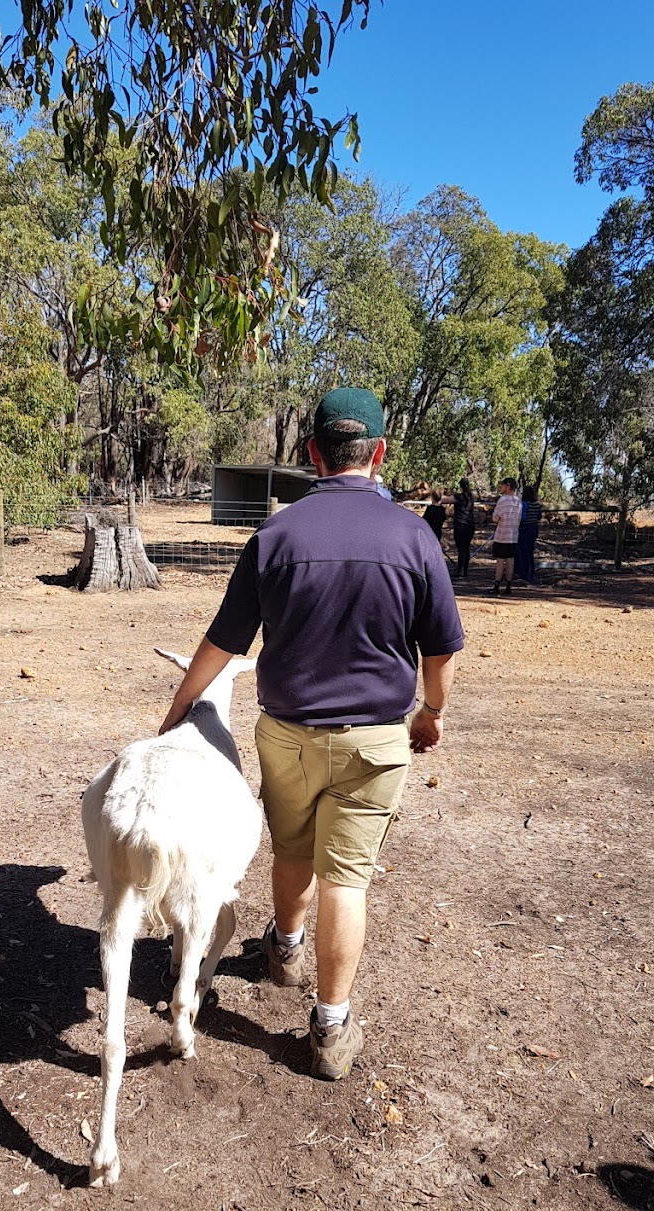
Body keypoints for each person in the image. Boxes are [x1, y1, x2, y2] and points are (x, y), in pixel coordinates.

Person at [159, 387, 464, 1081]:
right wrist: (432, 711)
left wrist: (175, 710)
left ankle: (285, 949)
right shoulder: (414, 537)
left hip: (287, 733)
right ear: (380, 454)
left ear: (311, 454)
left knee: (291, 844)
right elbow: (440, 651)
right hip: (376, 742)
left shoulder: (276, 536)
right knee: (346, 879)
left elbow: (220, 643)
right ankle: (330, 1029)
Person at [491, 477, 522, 595]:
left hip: (501, 535)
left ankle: (497, 585)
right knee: (510, 561)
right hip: (513, 536)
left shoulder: (502, 500)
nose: (501, 487)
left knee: (500, 561)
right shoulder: (518, 501)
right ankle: (508, 586)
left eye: (503, 485)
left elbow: (495, 518)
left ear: (508, 487)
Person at [446, 479, 476, 577]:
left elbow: (443, 499)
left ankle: (459, 570)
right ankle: (465, 571)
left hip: (460, 525)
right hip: (470, 525)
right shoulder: (471, 497)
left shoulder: (458, 497)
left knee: (461, 549)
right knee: (466, 548)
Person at [515, 484, 542, 584]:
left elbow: (522, 518)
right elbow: (539, 516)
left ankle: (524, 573)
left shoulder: (524, 504)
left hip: (524, 529)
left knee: (522, 551)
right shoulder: (537, 505)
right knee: (529, 551)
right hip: (534, 529)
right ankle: (530, 573)